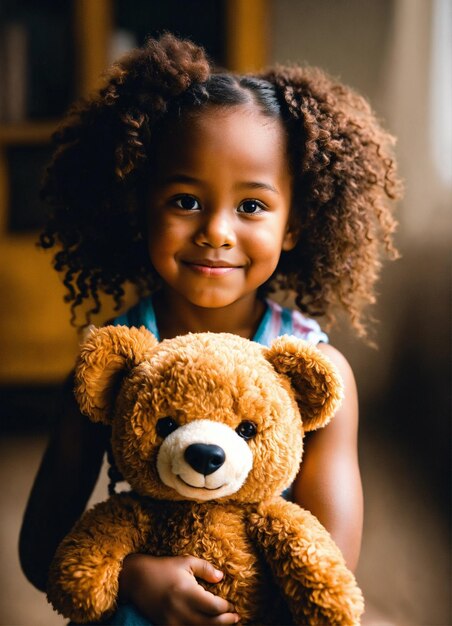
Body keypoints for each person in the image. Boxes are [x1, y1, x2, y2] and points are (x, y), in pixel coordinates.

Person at [19, 34, 400, 625]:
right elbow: (39, 549)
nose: (217, 231)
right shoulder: (113, 362)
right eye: (185, 200)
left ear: (294, 224)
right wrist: (133, 576)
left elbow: (329, 568)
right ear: (139, 205)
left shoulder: (318, 371)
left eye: (251, 206)